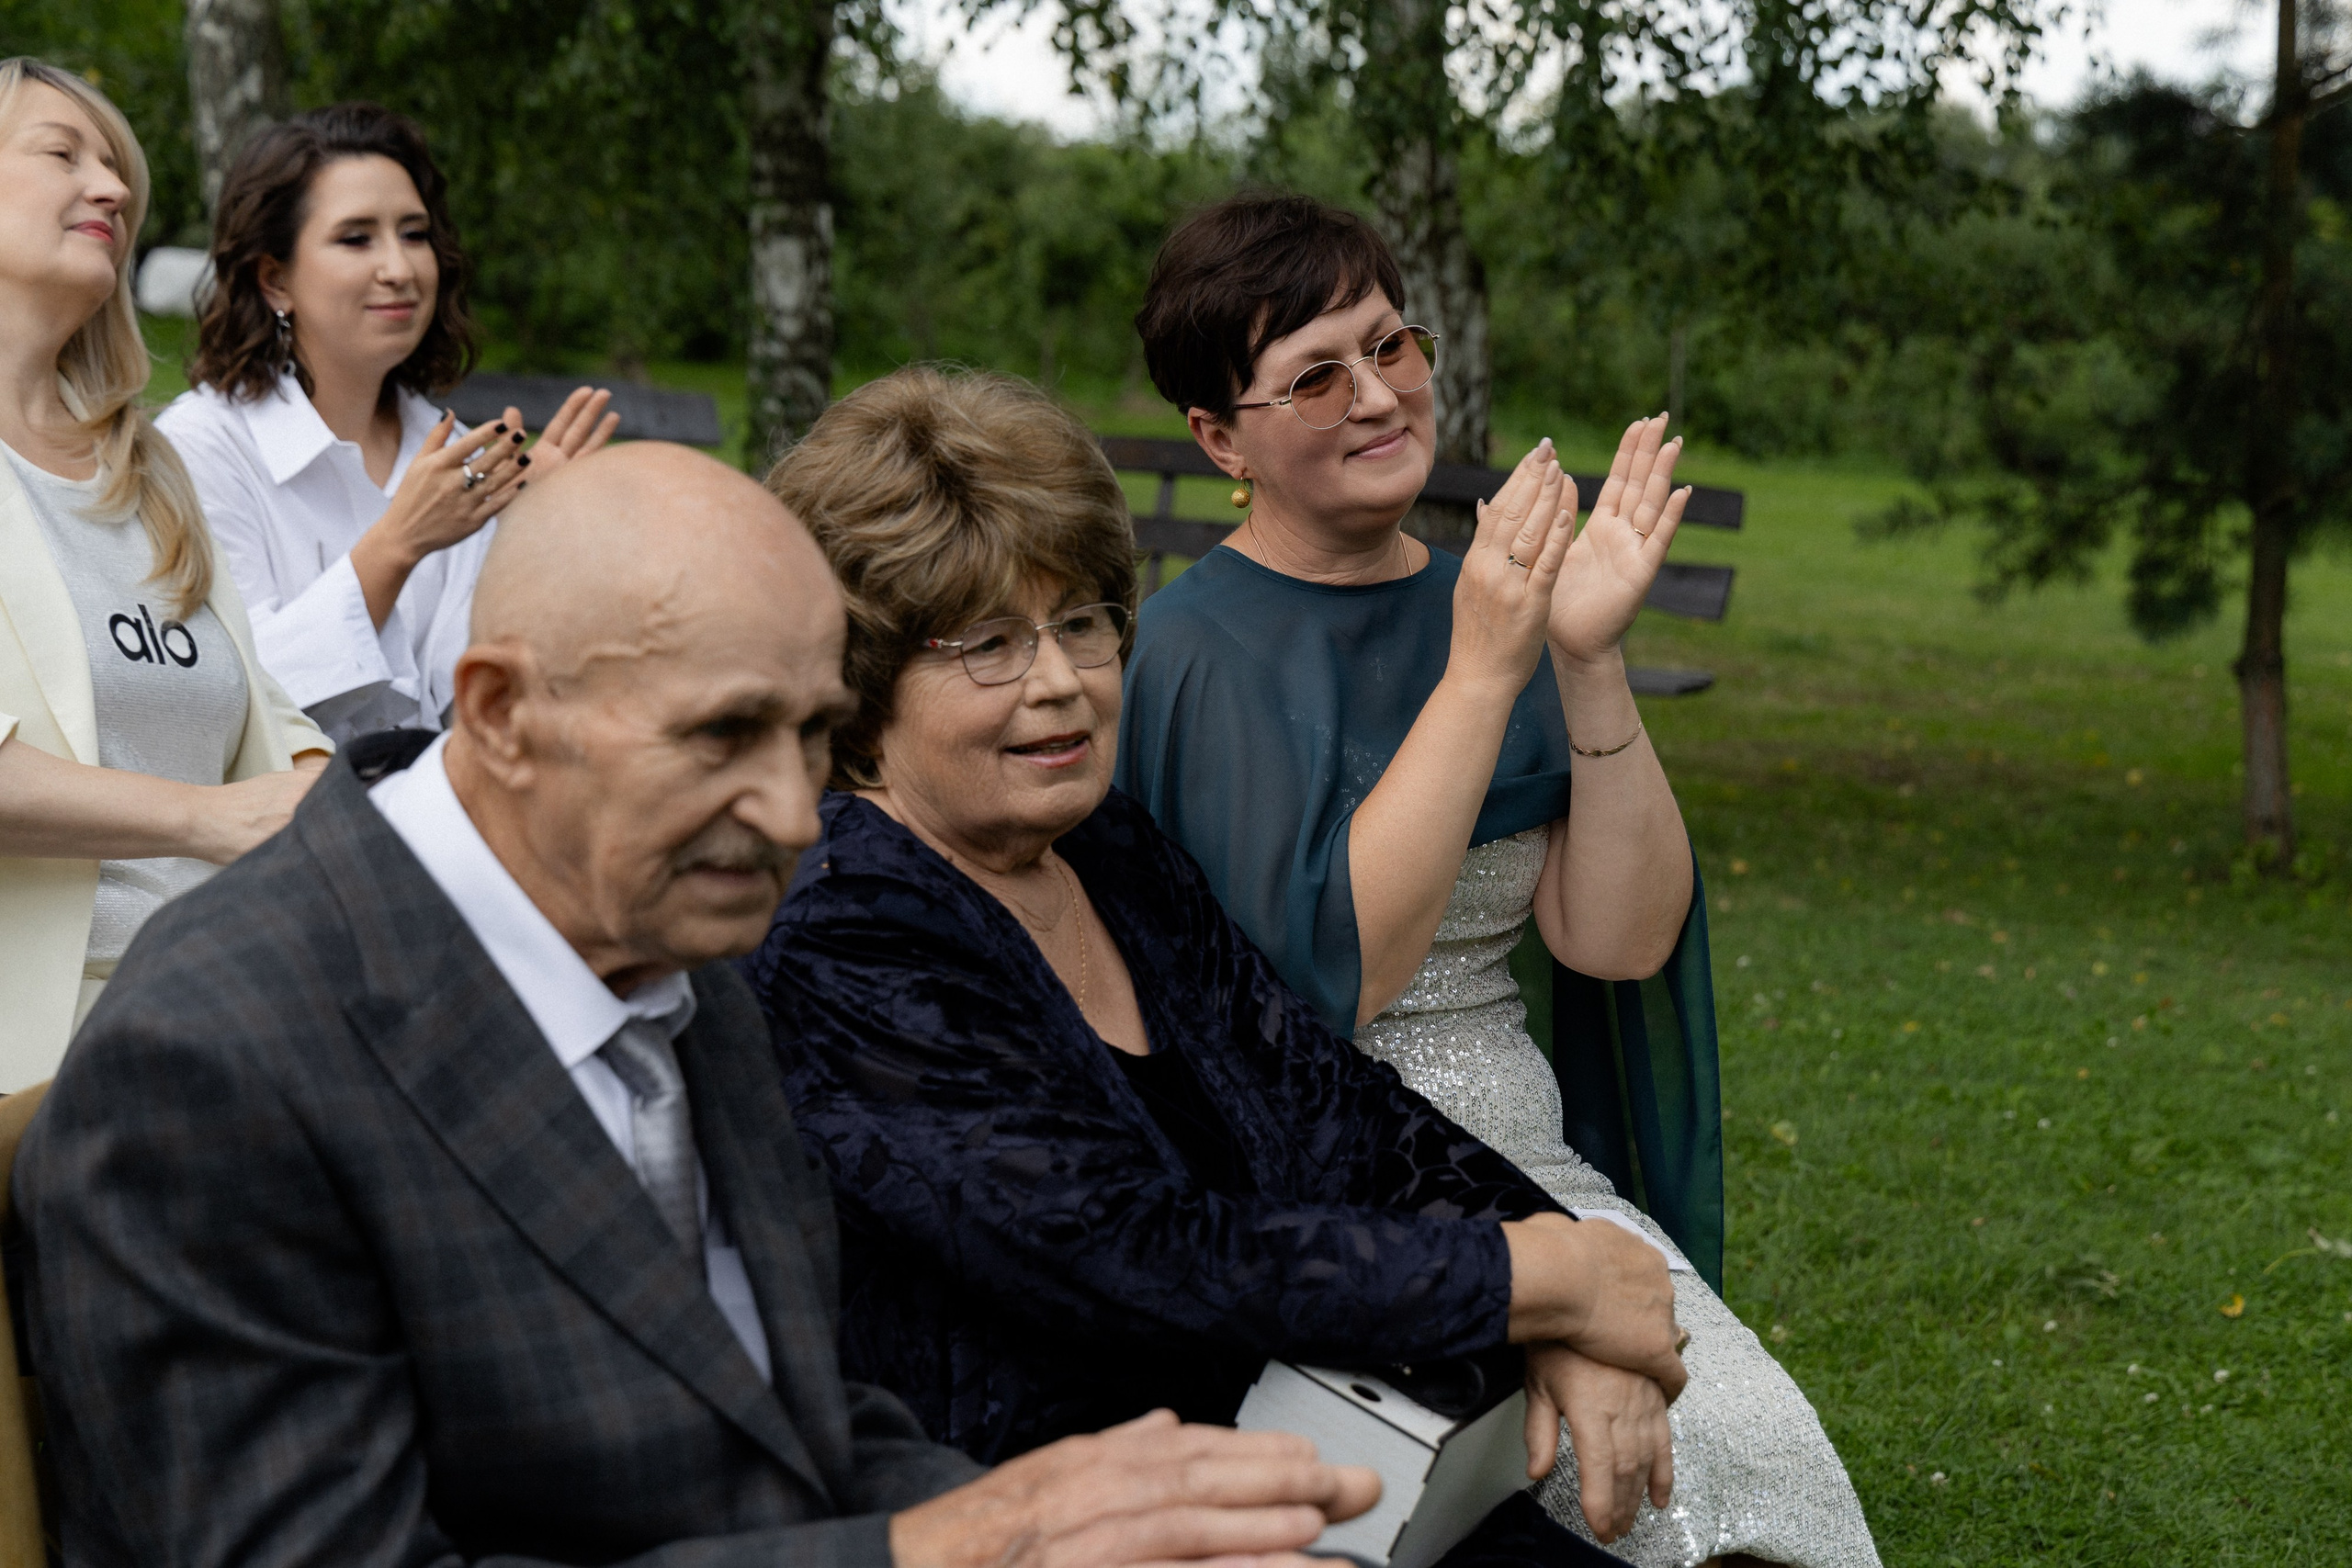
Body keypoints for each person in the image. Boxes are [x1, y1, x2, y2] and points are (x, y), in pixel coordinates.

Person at [16, 440, 1386, 1567]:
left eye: (809, 731)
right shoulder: (213, 1063)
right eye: (725, 733)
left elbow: (781, 1416)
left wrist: (1116, 1525)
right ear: (495, 710)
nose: (794, 813)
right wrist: (971, 1541)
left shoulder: (671, 941)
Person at [748, 366, 1731, 1562]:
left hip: (1292, 1444)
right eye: (987, 645)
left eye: (1080, 624)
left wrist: (1567, 1281)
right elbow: (1131, 1248)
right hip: (1062, 1506)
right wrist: (1535, 1276)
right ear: (859, 682)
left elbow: (1340, 1108)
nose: (1058, 681)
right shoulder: (848, 919)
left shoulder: (1102, 848)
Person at [1114, 193, 1879, 1565]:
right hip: (1330, 1187)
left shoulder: (1499, 602)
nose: (1376, 395)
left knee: (1750, 1467)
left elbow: (1618, 938)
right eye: (1314, 374)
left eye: (1389, 343)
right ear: (1219, 438)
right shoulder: (1191, 652)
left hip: (1536, 1159)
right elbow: (1330, 984)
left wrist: (1582, 654)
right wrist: (1481, 667)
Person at [0, 57, 330, 1090]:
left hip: (220, 1026)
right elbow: (222, 808)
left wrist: (330, 795)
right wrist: (203, 819)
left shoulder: (149, 471)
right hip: (39, 1056)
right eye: (62, 154)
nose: (111, 188)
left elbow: (270, 723)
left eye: (118, 172)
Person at [155, 101, 619, 745]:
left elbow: (483, 705)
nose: (400, 269)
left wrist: (526, 538)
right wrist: (398, 544)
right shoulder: (198, 450)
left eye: (414, 233)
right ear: (274, 280)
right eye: (356, 238)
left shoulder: (461, 454)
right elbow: (227, 702)